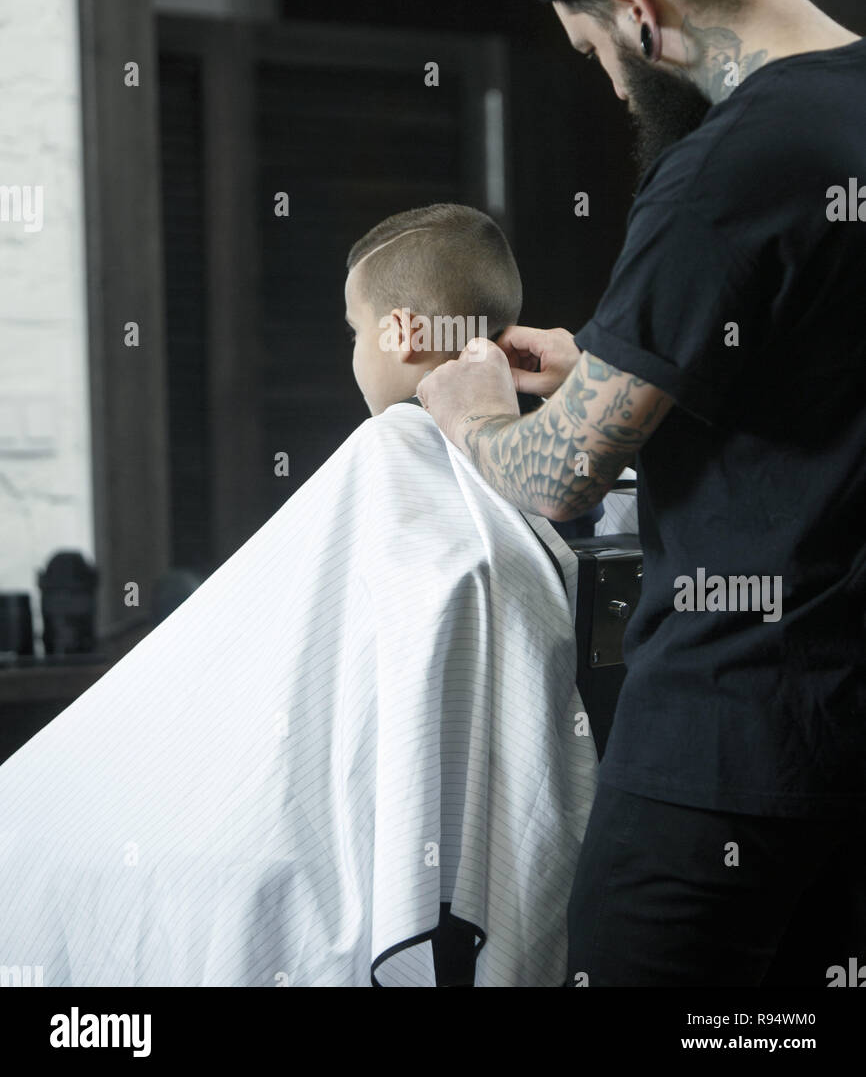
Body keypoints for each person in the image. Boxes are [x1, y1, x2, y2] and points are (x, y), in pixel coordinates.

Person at [417, 0, 866, 987]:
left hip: (726, 759)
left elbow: (560, 479)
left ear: (634, 8)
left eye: (595, 54)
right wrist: (606, 362)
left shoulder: (724, 166)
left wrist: (473, 420)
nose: (613, 88)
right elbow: (807, 382)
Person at [0, 203, 598, 988]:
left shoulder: (393, 453)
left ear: (403, 335)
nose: (354, 355)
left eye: (356, 330)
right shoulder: (523, 477)